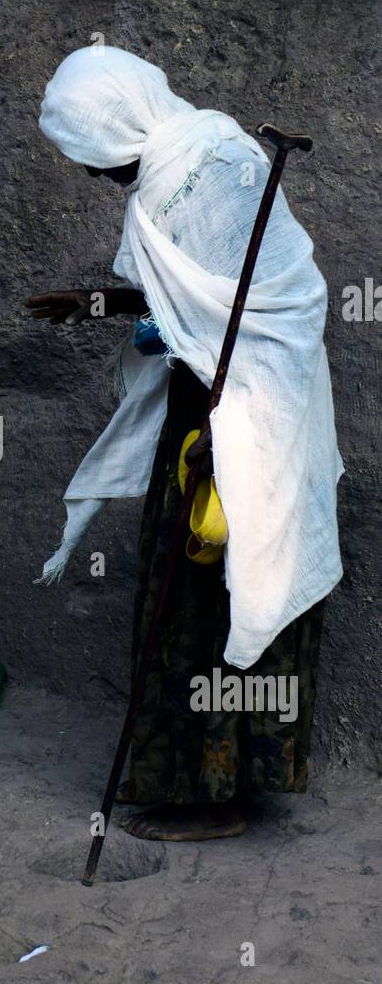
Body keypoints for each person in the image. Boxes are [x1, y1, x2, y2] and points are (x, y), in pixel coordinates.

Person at [29, 45, 342, 841]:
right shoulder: (164, 173)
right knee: (182, 592)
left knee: (219, 588)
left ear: (122, 126)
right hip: (196, 413)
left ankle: (221, 799)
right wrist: (98, 302)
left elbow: (282, 301)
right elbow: (190, 300)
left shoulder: (218, 161)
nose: (98, 178)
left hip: (252, 416)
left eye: (96, 161)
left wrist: (230, 415)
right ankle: (185, 783)